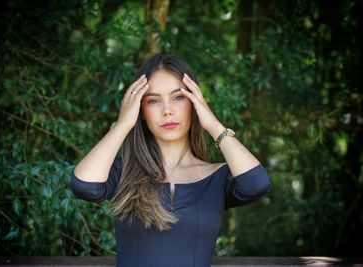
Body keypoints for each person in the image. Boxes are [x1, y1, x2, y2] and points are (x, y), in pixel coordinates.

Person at [70, 53, 271, 267]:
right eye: (154, 101)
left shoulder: (218, 178)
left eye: (178, 97)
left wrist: (213, 124)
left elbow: (256, 184)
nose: (167, 110)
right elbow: (84, 186)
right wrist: (123, 124)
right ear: (141, 111)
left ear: (195, 103)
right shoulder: (123, 172)